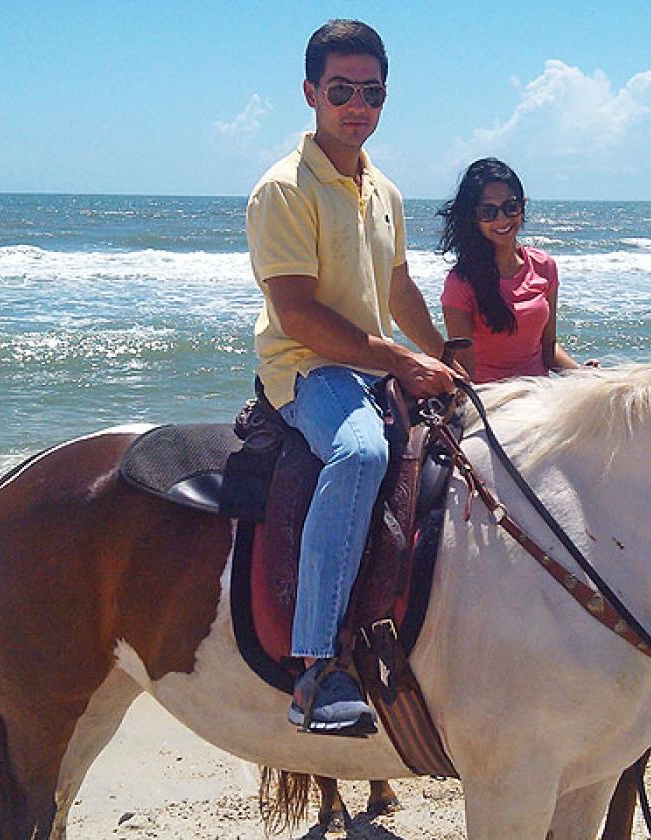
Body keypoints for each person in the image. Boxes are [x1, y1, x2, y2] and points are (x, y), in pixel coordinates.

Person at [246, 19, 455, 735]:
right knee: (361, 451)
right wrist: (400, 359)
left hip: (371, 364)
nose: (357, 105)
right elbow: (298, 315)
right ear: (310, 92)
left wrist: (450, 357)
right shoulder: (284, 190)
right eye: (341, 90)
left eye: (371, 92)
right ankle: (315, 668)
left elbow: (399, 293)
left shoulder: (384, 190)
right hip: (309, 370)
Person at [438, 158, 593, 382]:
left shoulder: (544, 266)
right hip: (492, 403)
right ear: (473, 217)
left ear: (522, 206)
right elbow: (465, 372)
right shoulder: (460, 283)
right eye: (488, 211)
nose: (501, 219)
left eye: (510, 207)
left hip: (541, 396)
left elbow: (548, 349)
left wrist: (582, 376)